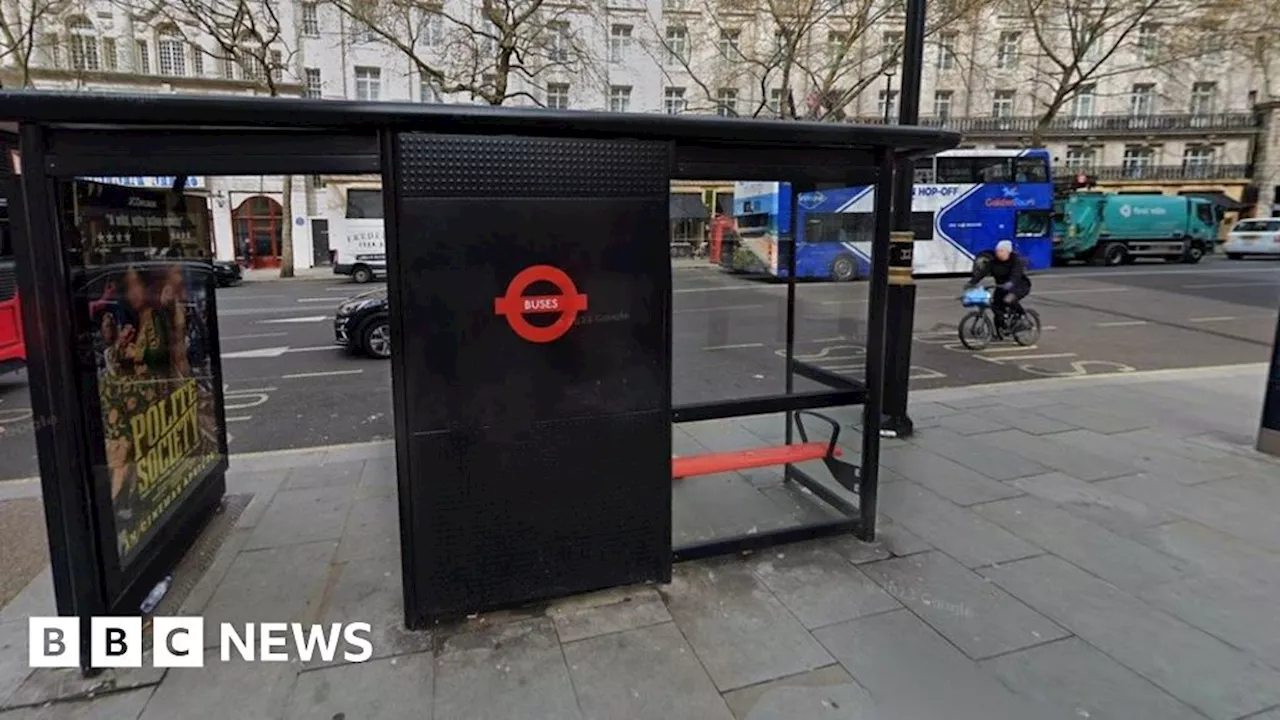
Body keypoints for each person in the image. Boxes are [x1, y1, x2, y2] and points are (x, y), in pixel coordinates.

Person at [966, 239, 1031, 331]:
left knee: (1009, 299)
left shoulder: (1015, 261)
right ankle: (1001, 328)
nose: (998, 253)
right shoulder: (993, 262)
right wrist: (972, 282)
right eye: (997, 251)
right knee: (995, 306)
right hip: (1001, 286)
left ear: (1008, 252)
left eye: (1001, 251)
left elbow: (1016, 274)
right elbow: (982, 273)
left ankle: (1023, 317)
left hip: (1019, 285)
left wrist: (1011, 282)